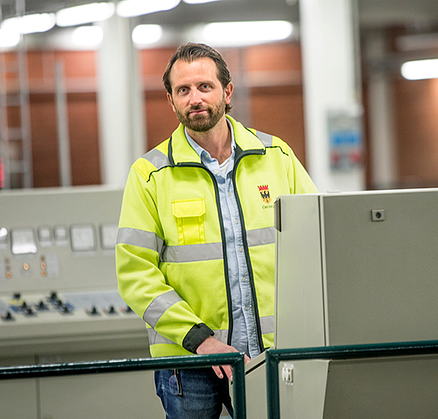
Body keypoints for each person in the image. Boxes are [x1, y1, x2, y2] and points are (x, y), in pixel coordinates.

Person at [115, 43, 317, 418]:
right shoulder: (150, 175)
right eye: (183, 90)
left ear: (227, 92)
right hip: (189, 363)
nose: (195, 98)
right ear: (171, 100)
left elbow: (316, 245)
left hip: (269, 356)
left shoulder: (277, 158)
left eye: (205, 87)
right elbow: (135, 274)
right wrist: (201, 341)